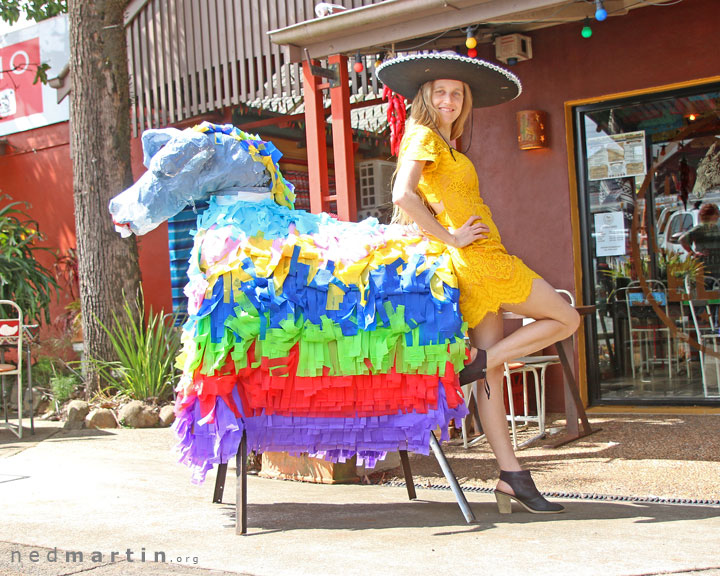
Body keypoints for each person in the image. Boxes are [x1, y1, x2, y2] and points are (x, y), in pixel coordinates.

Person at [376, 52, 580, 514]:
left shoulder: (446, 143)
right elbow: (402, 195)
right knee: (565, 318)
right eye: (440, 91)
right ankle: (477, 360)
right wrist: (450, 236)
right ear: (425, 95)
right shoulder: (423, 134)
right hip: (480, 260)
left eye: (457, 93)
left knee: (490, 374)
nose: (449, 99)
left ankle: (510, 474)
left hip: (474, 258)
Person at [679, 203, 720, 278]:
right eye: (716, 214)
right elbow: (683, 239)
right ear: (708, 215)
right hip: (705, 268)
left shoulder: (716, 228)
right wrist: (693, 253)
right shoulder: (700, 229)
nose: (718, 216)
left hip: (717, 267)